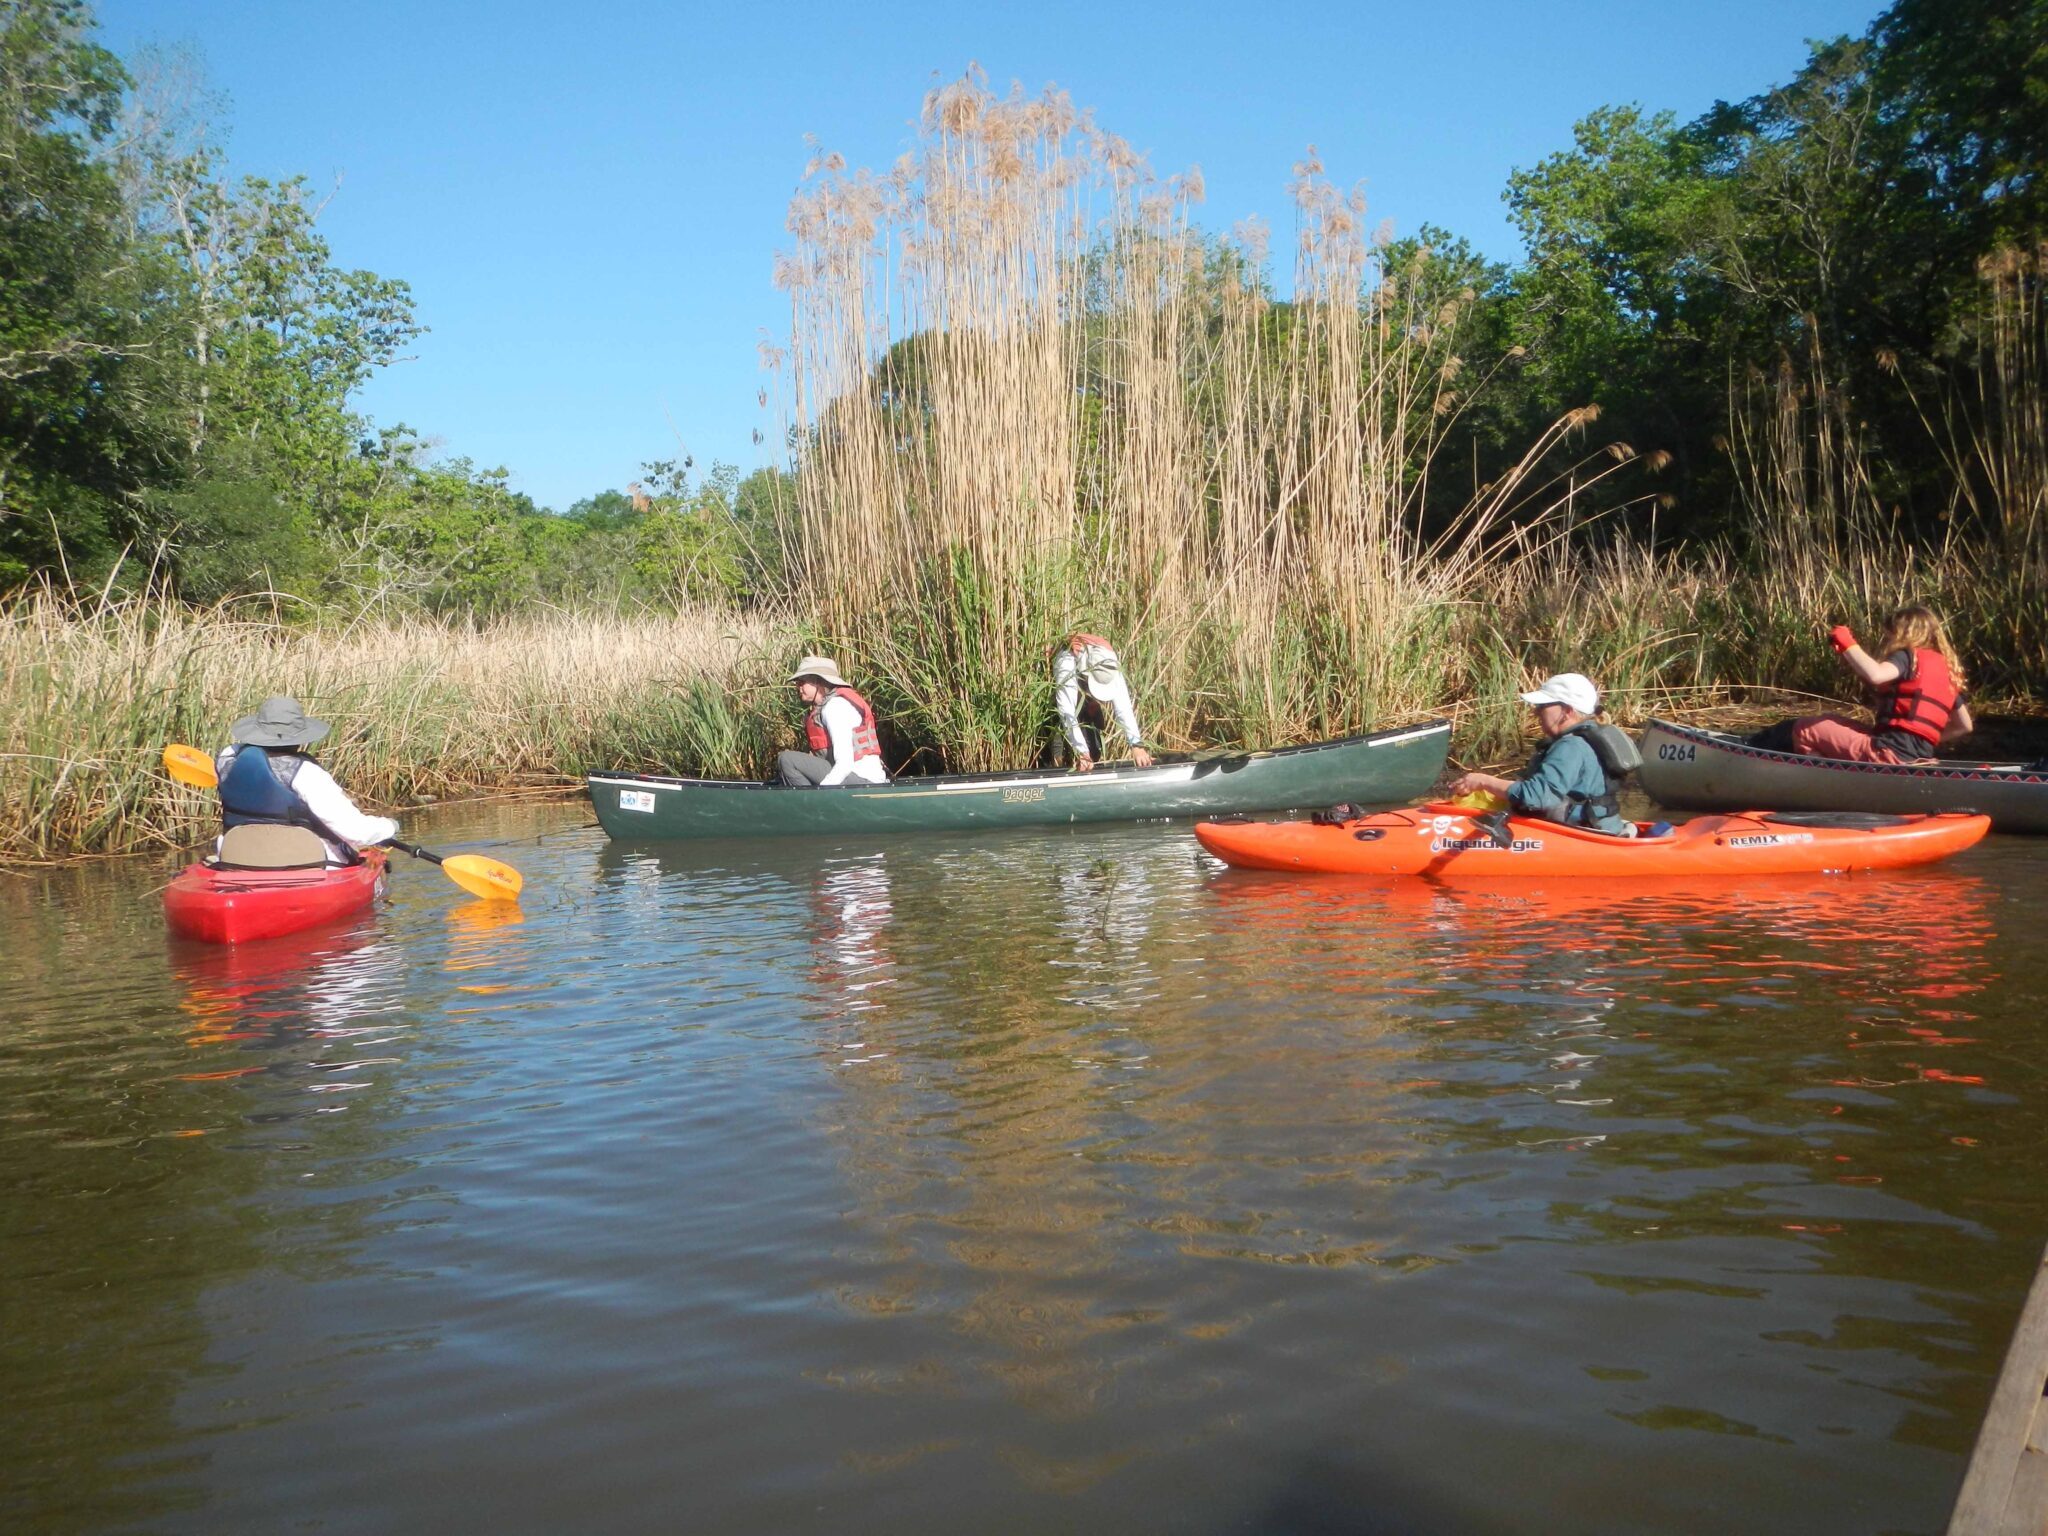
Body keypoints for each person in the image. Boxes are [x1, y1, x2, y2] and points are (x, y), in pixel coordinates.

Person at [1751, 603, 1974, 764]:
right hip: (1916, 756)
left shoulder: (1908, 657)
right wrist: (1921, 745)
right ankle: (1821, 766)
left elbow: (1876, 674)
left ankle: (1750, 751)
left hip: (1887, 754)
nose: (1887, 640)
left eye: (1890, 634)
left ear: (1905, 633)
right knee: (1832, 721)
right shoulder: (1947, 671)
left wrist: (1848, 643)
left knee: (1805, 728)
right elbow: (1965, 726)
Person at [1447, 673, 1640, 837]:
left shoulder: (1571, 746)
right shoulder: (1582, 740)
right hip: (1600, 828)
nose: (1536, 711)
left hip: (1584, 836)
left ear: (1567, 711)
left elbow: (1536, 796)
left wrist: (1483, 781)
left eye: (1543, 705)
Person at [214, 696, 399, 867]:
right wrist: (390, 826)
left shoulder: (226, 760)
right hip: (305, 864)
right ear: (299, 737)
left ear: (258, 731)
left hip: (236, 860)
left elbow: (236, 749)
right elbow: (357, 832)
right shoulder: (306, 774)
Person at [777, 656, 889, 788]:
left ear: (818, 681)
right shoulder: (828, 706)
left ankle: (810, 804)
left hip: (861, 780)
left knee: (786, 760)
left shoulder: (835, 708)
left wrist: (823, 792)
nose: (798, 687)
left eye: (802, 682)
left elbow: (845, 763)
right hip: (853, 778)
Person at [1052, 631, 1155, 772]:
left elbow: (1123, 707)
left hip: (1086, 687)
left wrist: (1136, 745)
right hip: (1073, 676)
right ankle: (1059, 765)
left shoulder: (1110, 664)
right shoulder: (1066, 663)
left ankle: (1090, 763)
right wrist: (1082, 752)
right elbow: (1066, 712)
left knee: (1095, 734)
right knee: (1058, 726)